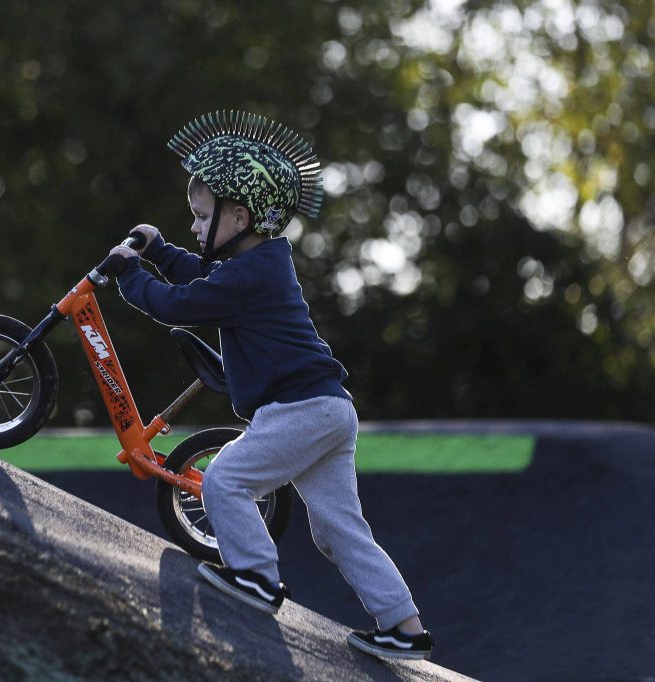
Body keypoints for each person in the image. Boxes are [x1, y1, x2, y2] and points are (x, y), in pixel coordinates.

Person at [109, 110, 434, 661]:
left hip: (299, 409)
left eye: (201, 216)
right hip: (326, 408)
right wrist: (160, 250)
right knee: (337, 530)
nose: (194, 226)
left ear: (239, 215)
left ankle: (257, 579)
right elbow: (199, 278)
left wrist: (130, 273)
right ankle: (404, 626)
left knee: (225, 481)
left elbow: (178, 304)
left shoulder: (247, 275)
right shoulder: (255, 267)